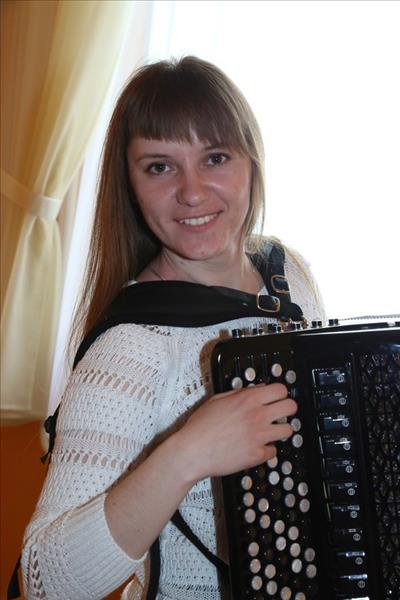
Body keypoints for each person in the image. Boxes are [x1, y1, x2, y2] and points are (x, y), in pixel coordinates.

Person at [21, 56, 324, 600]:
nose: (193, 191)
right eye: (160, 167)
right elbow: (44, 582)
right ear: (130, 184)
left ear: (251, 163)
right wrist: (187, 453)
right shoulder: (130, 350)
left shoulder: (290, 273)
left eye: (215, 158)